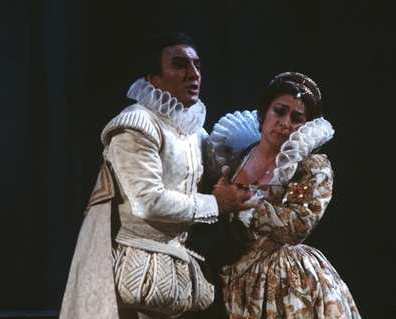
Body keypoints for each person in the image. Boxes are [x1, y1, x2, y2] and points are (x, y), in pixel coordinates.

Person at [59, 31, 255, 319]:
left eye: (197, 65)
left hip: (179, 273)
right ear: (153, 79)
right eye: (179, 65)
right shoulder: (137, 123)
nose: (193, 74)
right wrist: (216, 203)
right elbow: (147, 201)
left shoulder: (195, 132)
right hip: (137, 271)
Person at [205, 72, 361, 318]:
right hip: (228, 273)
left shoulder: (309, 167)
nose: (285, 123)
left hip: (282, 276)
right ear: (262, 114)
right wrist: (215, 201)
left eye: (296, 118)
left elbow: (298, 222)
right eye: (279, 111)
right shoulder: (234, 155)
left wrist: (237, 201)